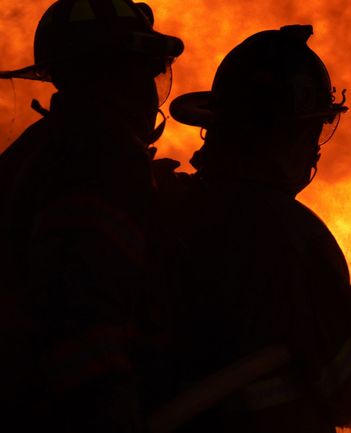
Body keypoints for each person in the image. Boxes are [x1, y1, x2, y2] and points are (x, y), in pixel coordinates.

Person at [160, 25, 351, 432]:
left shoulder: (165, 205)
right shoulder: (288, 235)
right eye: (312, 130)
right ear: (285, 132)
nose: (314, 147)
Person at [0, 1, 183, 431]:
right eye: (147, 72)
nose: (152, 92)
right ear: (117, 75)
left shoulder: (36, 151)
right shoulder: (101, 160)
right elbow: (80, 322)